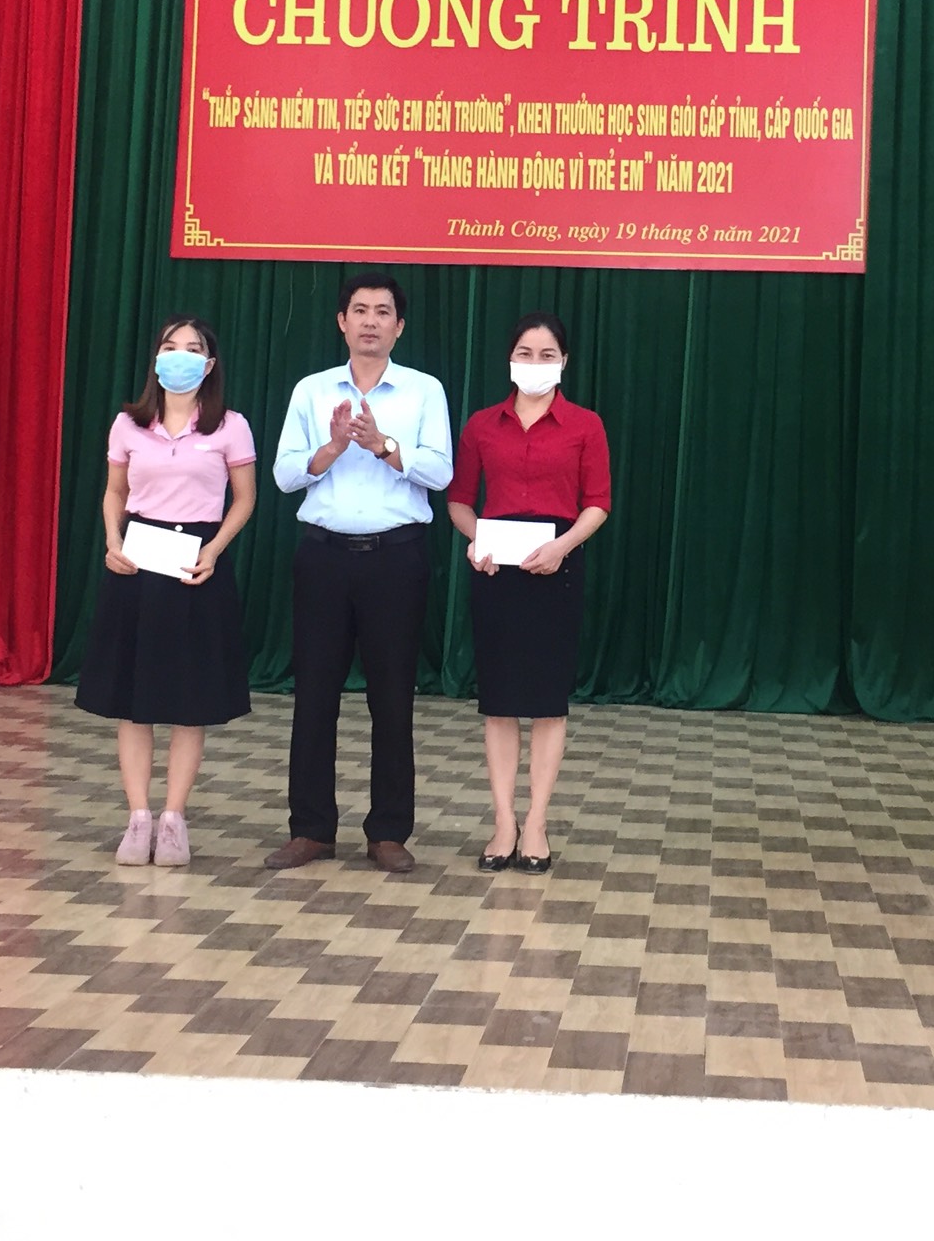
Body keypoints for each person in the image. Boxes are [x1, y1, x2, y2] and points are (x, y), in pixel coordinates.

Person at [268, 271, 454, 874]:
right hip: (322, 557)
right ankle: (311, 829)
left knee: (392, 697)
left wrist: (381, 445)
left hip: (396, 559)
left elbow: (441, 473)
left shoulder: (424, 390)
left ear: (399, 326)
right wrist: (330, 450)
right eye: (360, 310)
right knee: (314, 696)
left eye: (383, 312)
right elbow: (284, 476)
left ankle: (389, 832)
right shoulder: (311, 390)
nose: (371, 321)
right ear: (341, 322)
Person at [76, 315, 257, 867]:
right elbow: (114, 491)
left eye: (193, 348)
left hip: (195, 565)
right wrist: (113, 541)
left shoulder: (230, 426)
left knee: (188, 701)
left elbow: (245, 498)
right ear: (156, 359)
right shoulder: (128, 424)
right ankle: (138, 817)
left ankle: (174, 818)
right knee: (134, 702)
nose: (180, 356)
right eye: (170, 346)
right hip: (137, 562)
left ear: (209, 364)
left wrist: (215, 549)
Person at [448, 312, 611, 874]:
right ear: (509, 359)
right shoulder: (481, 425)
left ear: (564, 362)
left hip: (557, 567)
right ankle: (503, 822)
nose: (534, 363)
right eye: (525, 353)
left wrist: (563, 545)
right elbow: (459, 500)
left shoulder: (586, 425)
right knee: (498, 703)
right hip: (496, 571)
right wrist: (477, 540)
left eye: (547, 355)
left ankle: (536, 822)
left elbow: (598, 502)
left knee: (546, 703)